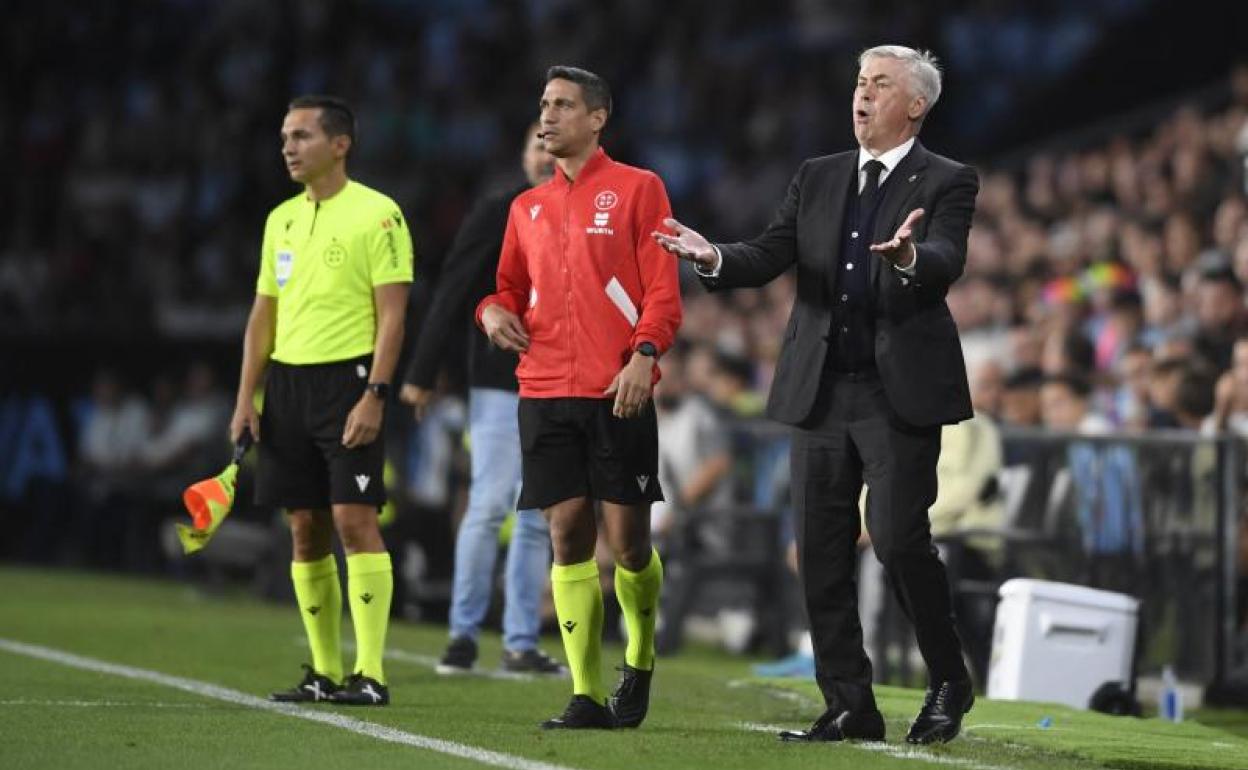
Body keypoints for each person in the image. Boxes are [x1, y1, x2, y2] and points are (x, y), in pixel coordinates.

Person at [655, 45, 979, 744]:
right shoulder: (819, 174)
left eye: (880, 84)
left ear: (915, 105)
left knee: (897, 540)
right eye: (860, 81)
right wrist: (714, 256)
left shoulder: (948, 179)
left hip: (898, 394)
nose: (863, 93)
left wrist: (911, 257)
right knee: (821, 553)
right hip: (821, 391)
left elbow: (948, 256)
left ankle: (950, 676)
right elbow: (771, 252)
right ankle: (849, 703)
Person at [476, 66, 682, 729]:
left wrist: (644, 355)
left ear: (597, 118)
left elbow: (663, 290)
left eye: (563, 104)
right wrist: (490, 312)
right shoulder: (526, 208)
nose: (548, 114)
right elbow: (506, 288)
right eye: (544, 103)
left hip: (616, 389)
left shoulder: (639, 189)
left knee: (627, 547)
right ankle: (587, 694)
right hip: (542, 388)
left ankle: (640, 658)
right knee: (565, 533)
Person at [229, 95, 412, 706]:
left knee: (354, 521)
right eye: (285, 136)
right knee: (303, 528)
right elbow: (263, 315)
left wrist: (375, 393)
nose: (288, 146)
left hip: (349, 383)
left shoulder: (378, 214)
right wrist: (247, 396)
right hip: (287, 385)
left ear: (340, 145)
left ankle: (372, 674)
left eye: (301, 136)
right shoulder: (280, 219)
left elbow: (394, 316)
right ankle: (325, 672)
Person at [399, 124, 566, 676]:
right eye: (537, 145)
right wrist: (422, 372)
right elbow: (453, 289)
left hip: (559, 381)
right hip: (499, 380)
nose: (546, 155)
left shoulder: (582, 212)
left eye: (553, 145)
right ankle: (463, 635)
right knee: (491, 502)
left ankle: (519, 641)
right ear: (522, 155)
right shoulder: (499, 210)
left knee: (536, 513)